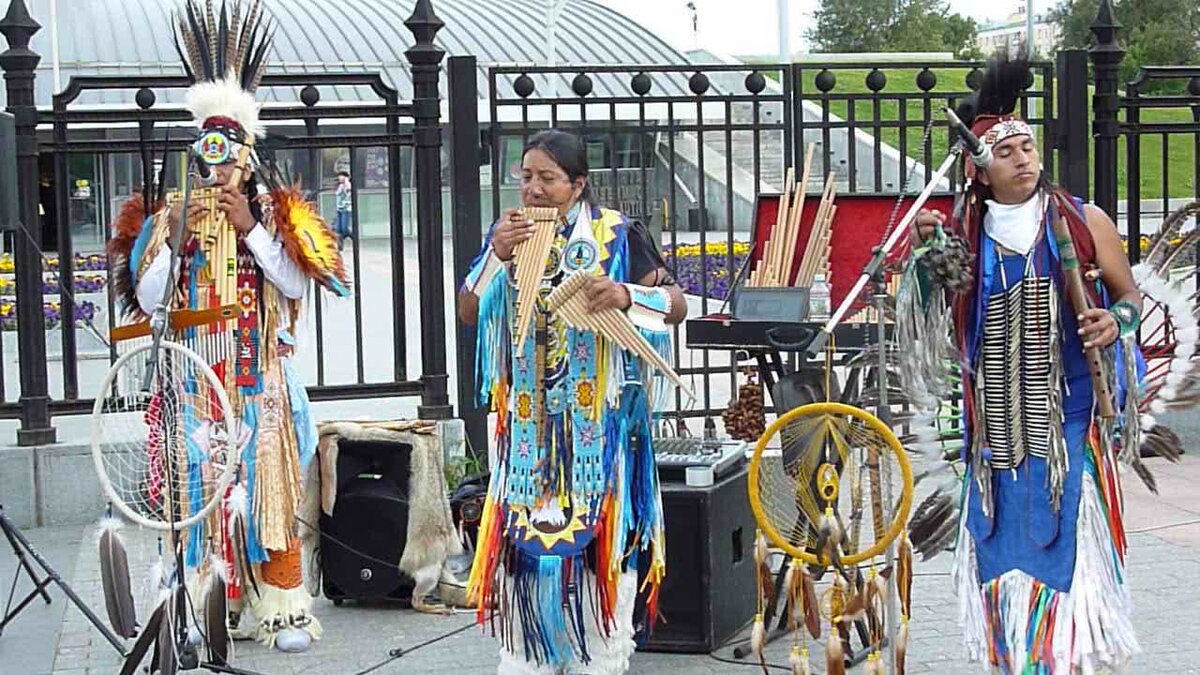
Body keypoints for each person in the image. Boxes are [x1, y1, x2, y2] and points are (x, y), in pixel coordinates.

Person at [107, 0, 349, 654]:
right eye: (207, 151)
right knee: (196, 496)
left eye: (228, 149)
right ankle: (196, 609)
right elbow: (152, 301)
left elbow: (299, 285)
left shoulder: (272, 211)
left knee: (269, 490)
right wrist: (179, 244)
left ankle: (283, 606)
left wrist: (251, 229)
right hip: (193, 380)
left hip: (256, 376)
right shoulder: (174, 215)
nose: (217, 167)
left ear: (245, 151)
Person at [904, 55, 1143, 673]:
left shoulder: (1082, 221)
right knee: (1000, 559)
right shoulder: (963, 233)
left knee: (1071, 564)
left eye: (1028, 146)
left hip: (1069, 419)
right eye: (1005, 151)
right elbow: (929, 315)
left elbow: (1130, 300)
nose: (1023, 158)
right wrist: (926, 261)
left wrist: (1113, 323)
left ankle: (1074, 660)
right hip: (994, 435)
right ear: (978, 169)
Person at [458, 129, 686, 675]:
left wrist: (628, 295)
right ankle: (527, 653)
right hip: (528, 432)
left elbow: (676, 304)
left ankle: (599, 656)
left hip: (598, 429)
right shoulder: (507, 235)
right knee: (525, 550)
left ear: (578, 185)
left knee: (597, 549)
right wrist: (496, 257)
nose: (533, 189)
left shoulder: (617, 236)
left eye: (547, 179)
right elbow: (469, 311)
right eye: (525, 176)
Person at [334, 170, 353, 250]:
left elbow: (348, 192)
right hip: (339, 208)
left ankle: (353, 237)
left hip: (346, 209)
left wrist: (346, 181)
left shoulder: (348, 185)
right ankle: (340, 245)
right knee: (338, 229)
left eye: (341, 176)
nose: (339, 178)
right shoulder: (340, 186)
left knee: (345, 229)